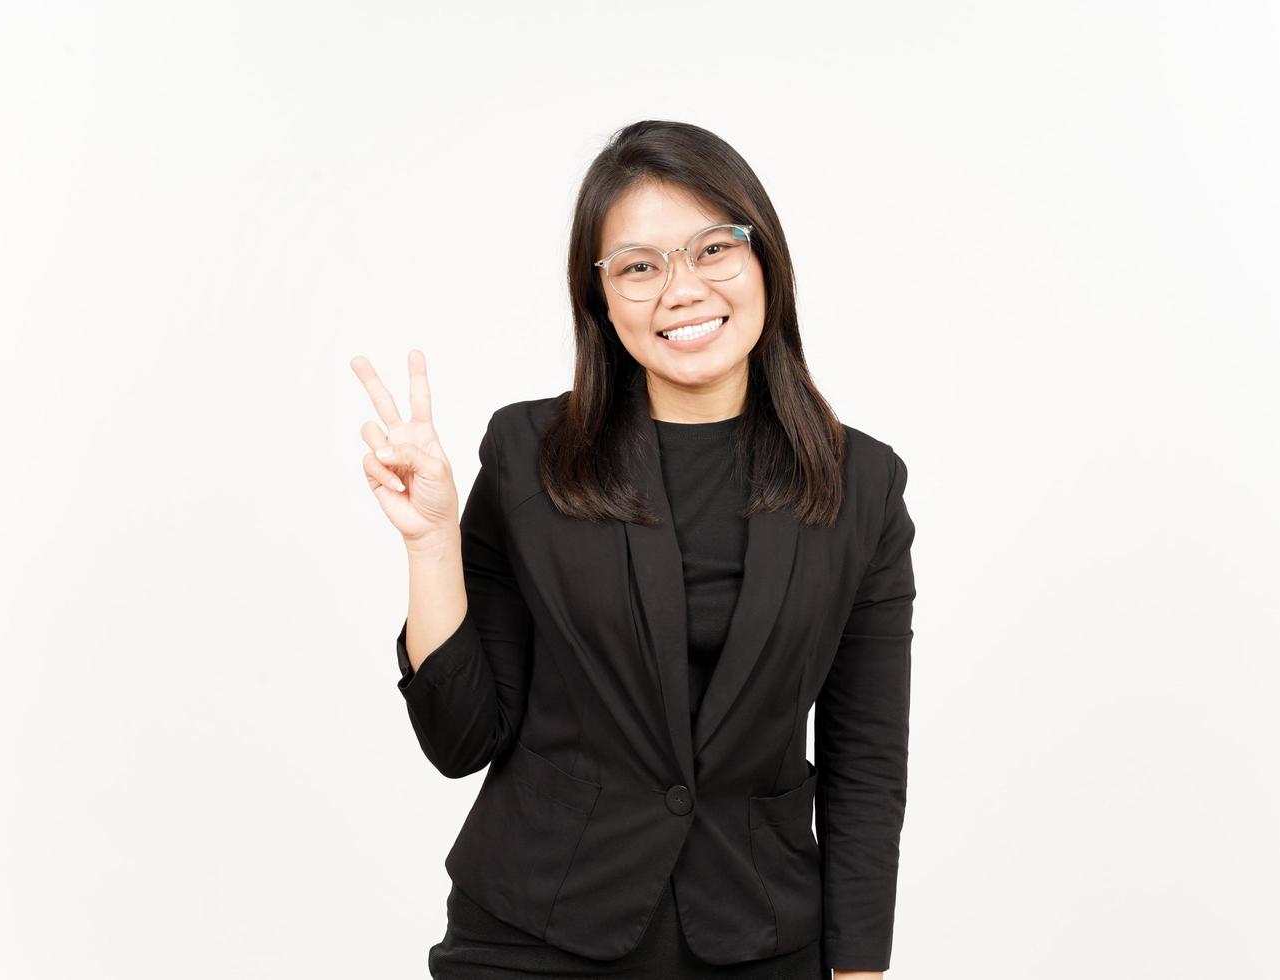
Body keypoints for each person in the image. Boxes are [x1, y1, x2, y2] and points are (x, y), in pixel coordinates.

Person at [350, 120, 914, 979]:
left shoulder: (862, 483)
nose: (681, 290)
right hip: (534, 935)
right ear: (602, 301)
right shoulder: (529, 453)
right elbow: (461, 738)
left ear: (764, 262)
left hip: (759, 938)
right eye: (641, 266)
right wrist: (430, 546)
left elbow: (864, 762)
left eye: (713, 249)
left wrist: (861, 969)